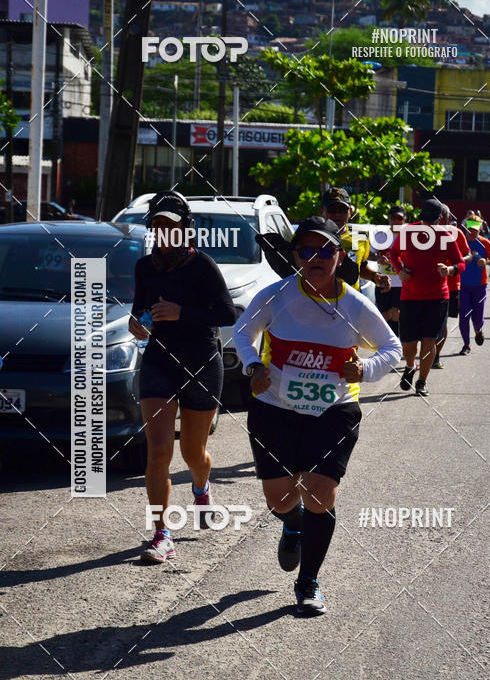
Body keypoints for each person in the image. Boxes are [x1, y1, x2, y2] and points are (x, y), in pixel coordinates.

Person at [233, 216, 402, 615]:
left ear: (339, 256)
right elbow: (241, 332)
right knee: (280, 498)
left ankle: (308, 582)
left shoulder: (355, 305)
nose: (316, 258)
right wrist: (254, 367)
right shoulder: (276, 296)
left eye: (326, 250)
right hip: (274, 408)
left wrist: (366, 369)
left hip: (333, 411)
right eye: (307, 250)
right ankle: (292, 524)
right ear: (295, 256)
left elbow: (391, 348)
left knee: (320, 494)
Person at [129, 190, 237, 563]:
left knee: (194, 453)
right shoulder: (144, 267)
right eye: (157, 225)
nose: (164, 232)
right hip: (159, 362)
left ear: (185, 229)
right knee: (158, 451)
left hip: (201, 362)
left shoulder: (202, 265)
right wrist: (137, 324)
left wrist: (181, 312)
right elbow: (139, 309)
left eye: (171, 226)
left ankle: (202, 488)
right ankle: (161, 534)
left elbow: (227, 314)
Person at [389, 198, 465, 396]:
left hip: (437, 296)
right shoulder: (408, 232)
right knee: (408, 343)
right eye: (426, 221)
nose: (428, 225)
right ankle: (409, 366)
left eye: (432, 221)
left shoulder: (446, 236)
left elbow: (461, 263)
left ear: (439, 219)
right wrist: (400, 271)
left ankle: (422, 381)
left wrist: (449, 269)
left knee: (429, 340)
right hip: (410, 295)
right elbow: (393, 253)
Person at [321, 186, 391, 294]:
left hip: (351, 301)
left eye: (342, 209)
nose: (337, 214)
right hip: (318, 301)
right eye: (332, 209)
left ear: (350, 211)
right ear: (322, 211)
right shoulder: (312, 236)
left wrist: (375, 276)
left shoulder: (359, 235)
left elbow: (360, 266)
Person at [433, 222, 472, 368]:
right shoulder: (422, 232)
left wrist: (454, 267)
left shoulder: (456, 233)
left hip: (451, 286)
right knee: (430, 321)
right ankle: (429, 353)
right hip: (427, 284)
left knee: (442, 322)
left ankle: (435, 356)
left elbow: (467, 256)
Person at [458, 217, 490, 354]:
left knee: (477, 316)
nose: (471, 233)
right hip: (463, 285)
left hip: (480, 286)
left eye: (474, 230)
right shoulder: (461, 242)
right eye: (469, 230)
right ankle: (466, 345)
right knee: (463, 315)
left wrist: (485, 262)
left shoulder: (485, 243)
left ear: (480, 229)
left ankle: (478, 330)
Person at [373, 204, 405, 339]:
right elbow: (369, 254)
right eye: (393, 218)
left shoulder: (408, 236)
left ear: (404, 220)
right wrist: (378, 258)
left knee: (397, 313)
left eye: (399, 218)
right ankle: (385, 341)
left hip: (400, 283)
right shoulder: (381, 236)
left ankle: (396, 342)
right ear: (389, 219)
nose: (396, 221)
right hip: (383, 281)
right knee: (384, 315)